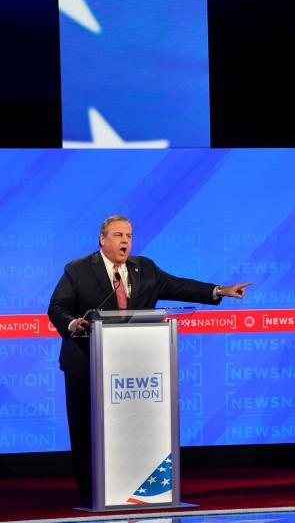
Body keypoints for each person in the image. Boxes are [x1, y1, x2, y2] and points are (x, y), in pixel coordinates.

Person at [47, 215, 251, 502]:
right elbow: (57, 306)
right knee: (85, 432)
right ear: (102, 239)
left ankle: (130, 487)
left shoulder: (144, 268)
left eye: (129, 236)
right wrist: (72, 324)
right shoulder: (78, 269)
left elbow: (178, 286)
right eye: (118, 235)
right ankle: (90, 493)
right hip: (86, 363)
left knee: (130, 429)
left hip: (132, 365)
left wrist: (218, 291)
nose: (125, 241)